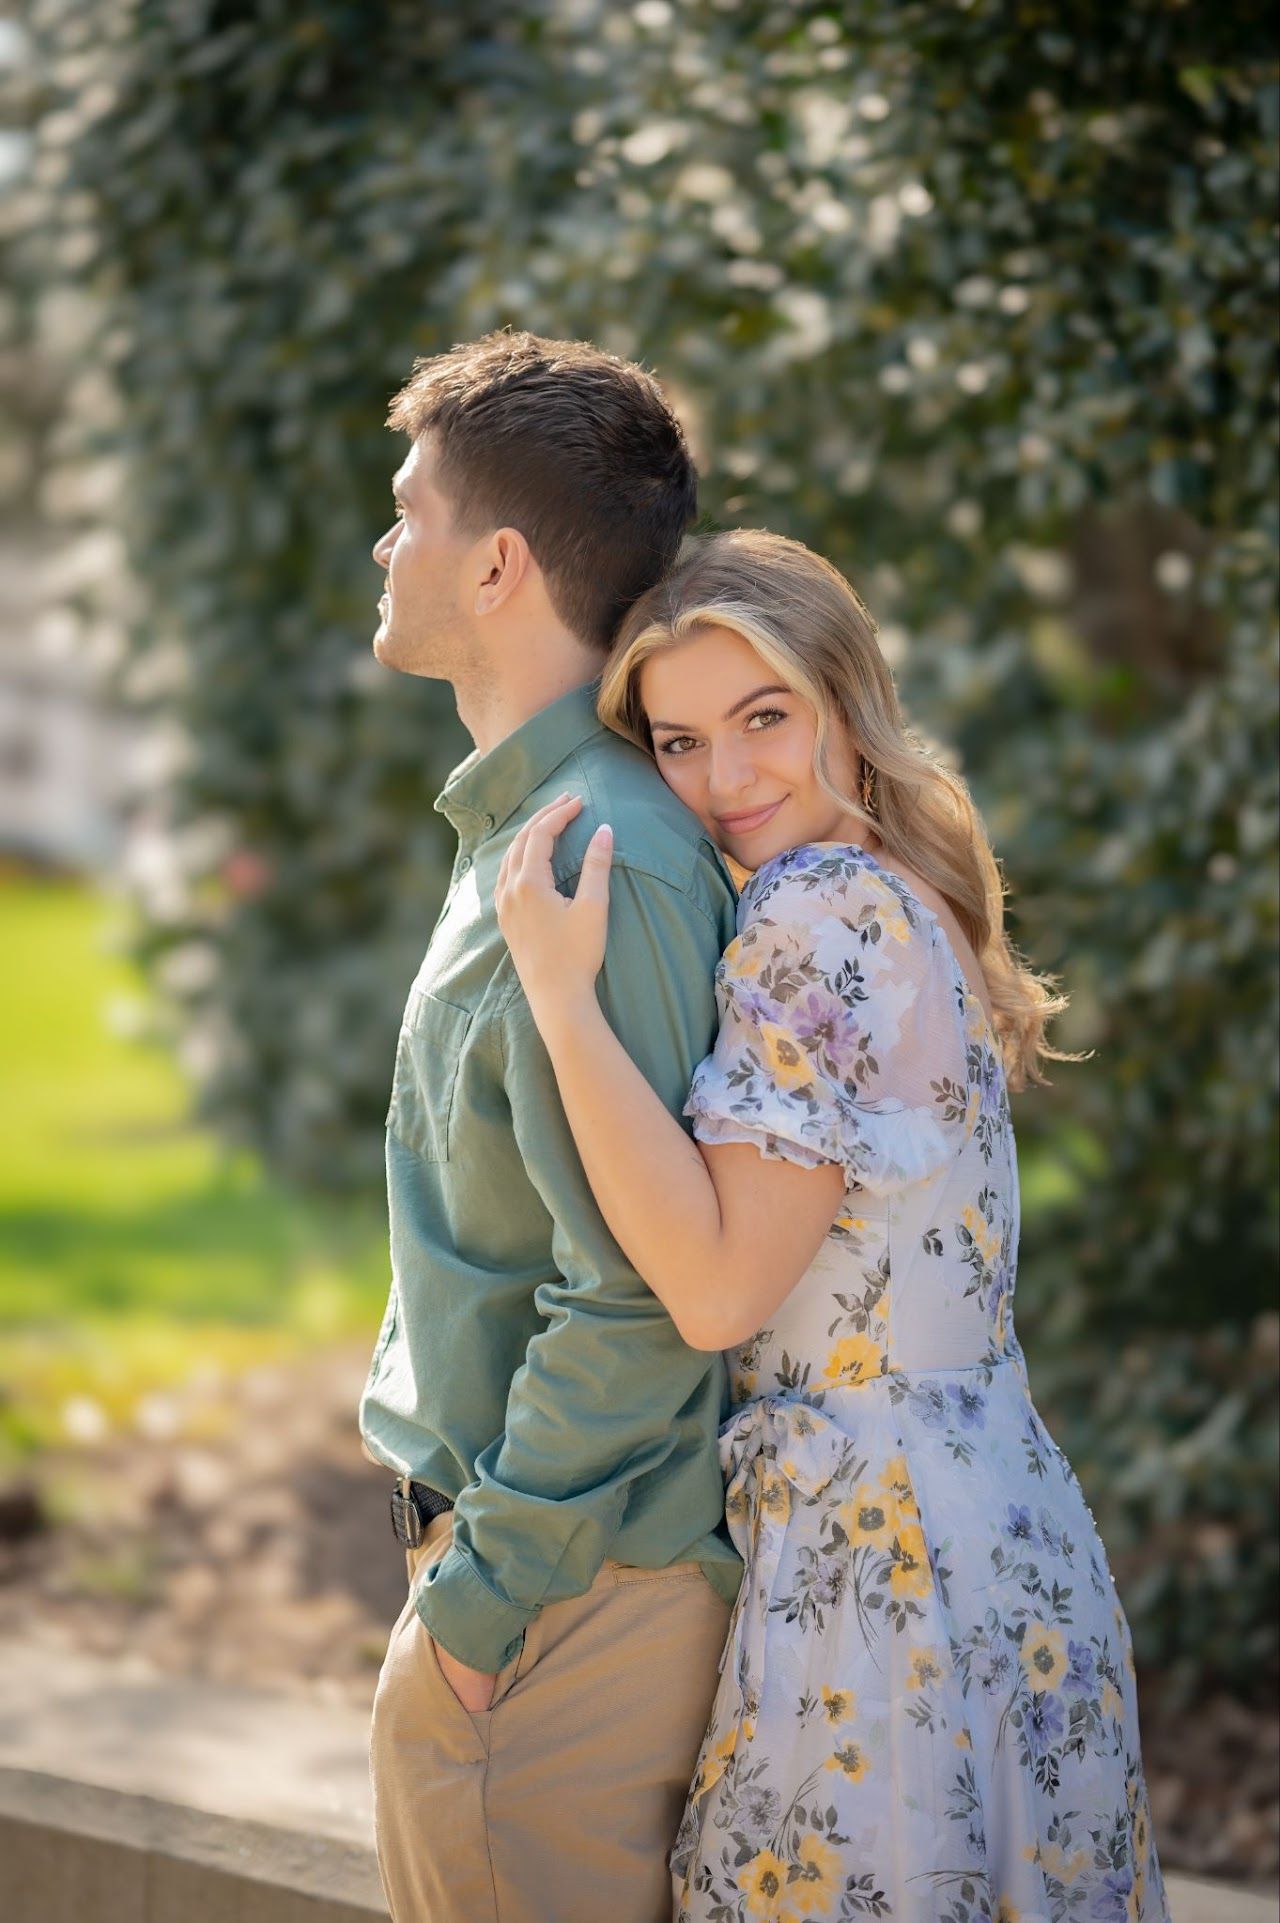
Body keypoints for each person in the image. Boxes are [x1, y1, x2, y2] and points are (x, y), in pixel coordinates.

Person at [496, 528, 1169, 1923]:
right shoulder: (910, 900)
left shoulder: (814, 918)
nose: (724, 781)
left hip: (880, 1581)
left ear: (847, 707)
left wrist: (564, 1006)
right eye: (677, 743)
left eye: (765, 718)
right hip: (1005, 1535)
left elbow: (721, 1292)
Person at [359, 332, 744, 1923]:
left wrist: (476, 1611)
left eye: (410, 510)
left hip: (562, 1613)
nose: (388, 546)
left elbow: (650, 1290)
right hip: (519, 1587)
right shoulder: (520, 828)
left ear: (500, 562)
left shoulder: (609, 855)